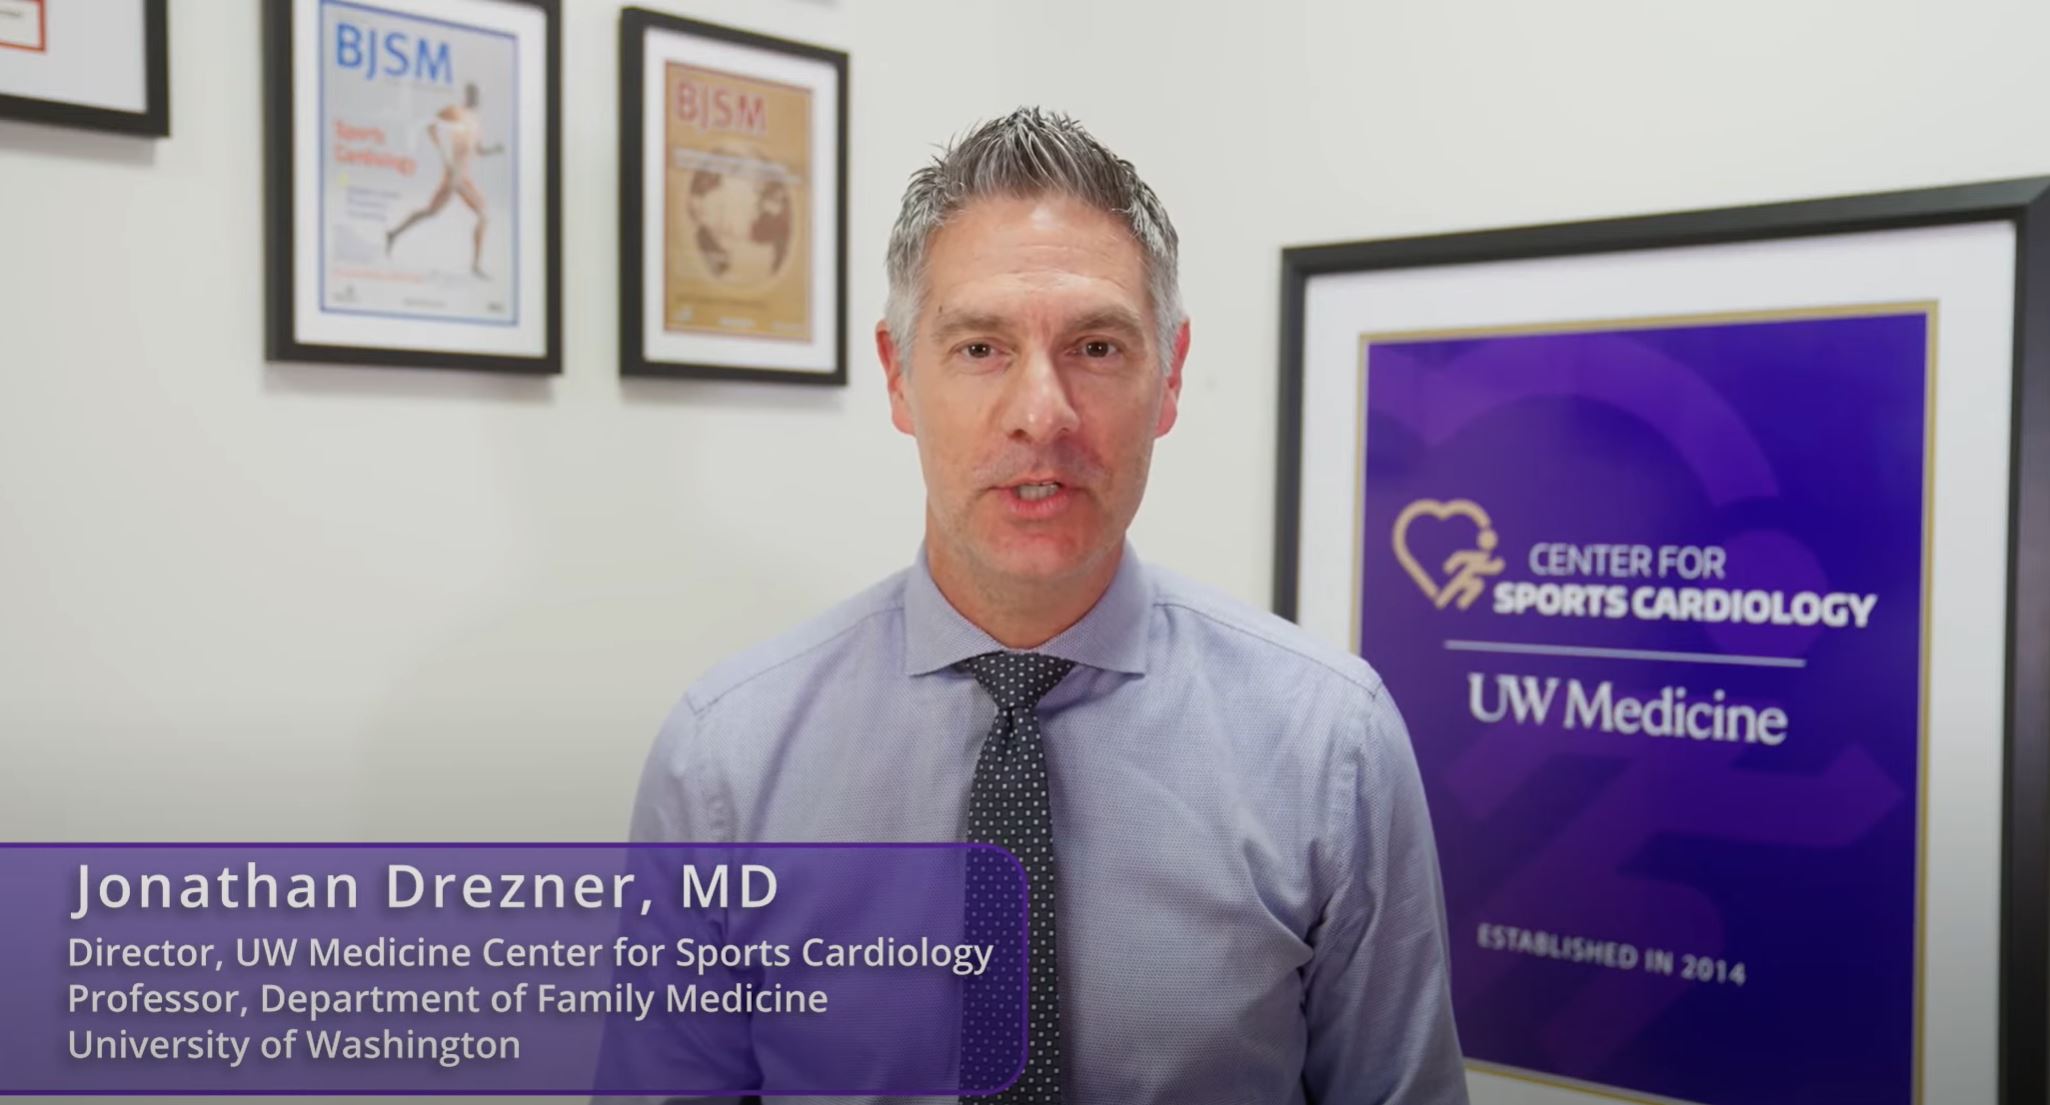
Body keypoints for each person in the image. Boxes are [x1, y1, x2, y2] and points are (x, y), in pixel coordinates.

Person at [630, 107, 1468, 1104]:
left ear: (1170, 375)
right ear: (899, 376)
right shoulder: (725, 759)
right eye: (980, 347)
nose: (1042, 411)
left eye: (1098, 347)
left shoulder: (1333, 747)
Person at [384, 81, 500, 278]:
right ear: (467, 95)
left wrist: (493, 150)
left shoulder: (476, 123)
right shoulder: (454, 111)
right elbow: (431, 125)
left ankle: (393, 233)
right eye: (472, 94)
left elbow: (478, 150)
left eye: (478, 95)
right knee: (483, 216)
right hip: (455, 175)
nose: (475, 98)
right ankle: (476, 266)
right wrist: (444, 156)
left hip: (463, 177)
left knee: (432, 212)